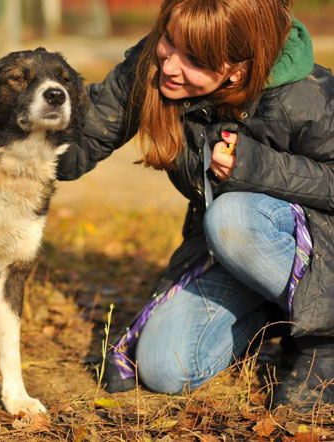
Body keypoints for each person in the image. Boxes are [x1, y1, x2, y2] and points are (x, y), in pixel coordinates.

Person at [57, 0, 334, 411]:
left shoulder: (306, 93)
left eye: (196, 60)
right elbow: (85, 136)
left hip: (320, 251)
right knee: (165, 368)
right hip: (232, 256)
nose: (170, 65)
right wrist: (6, 150)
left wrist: (256, 167)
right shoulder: (154, 65)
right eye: (169, 39)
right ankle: (278, 316)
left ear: (238, 69)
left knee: (232, 217)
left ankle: (324, 341)